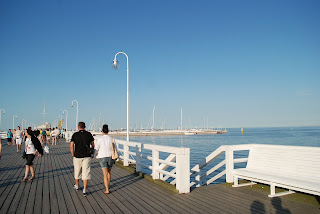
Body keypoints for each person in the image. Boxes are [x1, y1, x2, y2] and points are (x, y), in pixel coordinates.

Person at [70, 122, 94, 196]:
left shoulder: (75, 135)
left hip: (77, 156)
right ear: (85, 127)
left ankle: (77, 186)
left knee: (77, 171)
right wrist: (92, 151)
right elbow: (93, 144)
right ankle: (84, 189)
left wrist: (73, 155)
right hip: (87, 156)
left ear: (78, 127)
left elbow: (71, 146)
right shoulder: (89, 134)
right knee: (85, 172)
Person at [94, 124, 117, 194]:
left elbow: (96, 148)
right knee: (109, 172)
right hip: (110, 156)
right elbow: (115, 148)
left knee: (105, 174)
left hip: (102, 157)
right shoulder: (111, 138)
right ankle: (108, 185)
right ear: (108, 131)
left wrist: (93, 155)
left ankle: (107, 189)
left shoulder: (100, 139)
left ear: (102, 131)